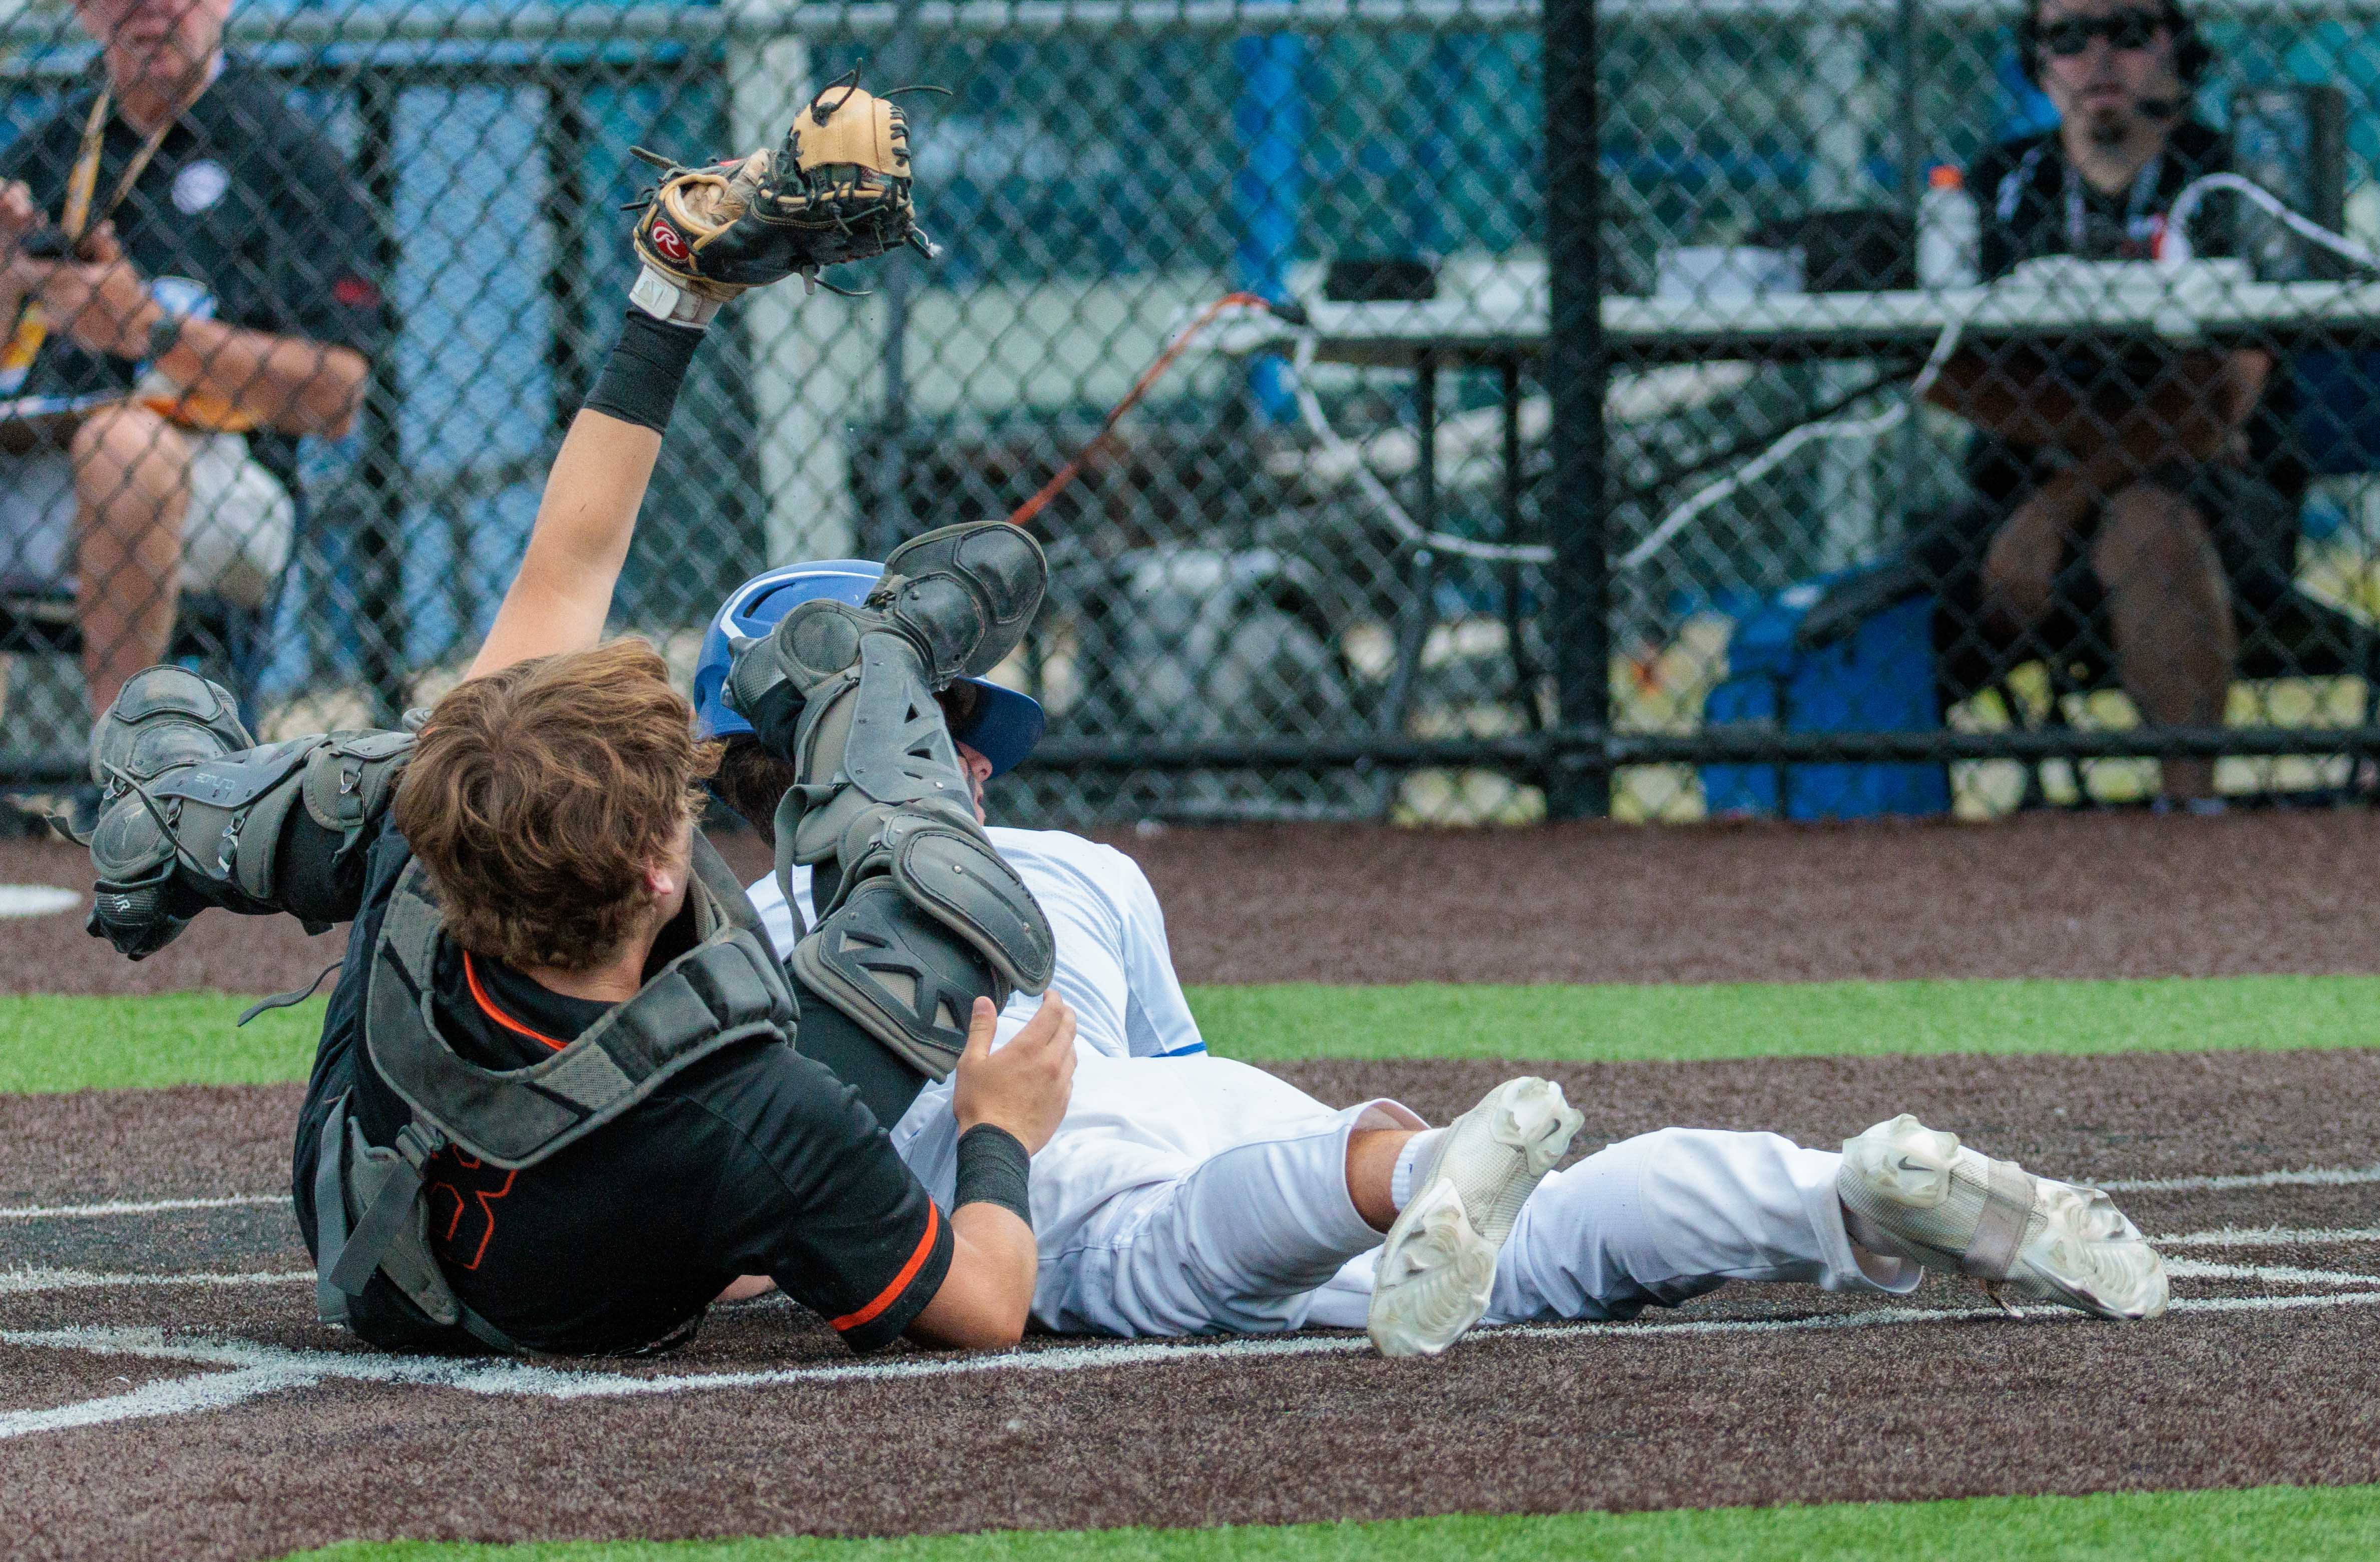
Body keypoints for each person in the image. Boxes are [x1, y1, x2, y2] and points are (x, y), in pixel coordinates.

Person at [65, 93, 1583, 1362]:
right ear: (663, 881)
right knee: (941, 918)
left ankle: (165, 813)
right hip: (515, 1279)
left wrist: (674, 292)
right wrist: (995, 1130)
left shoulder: (449, 851)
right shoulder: (755, 1109)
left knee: (409, 765)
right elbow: (984, 1299)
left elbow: (563, 575)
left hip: (371, 1206)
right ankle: (874, 664)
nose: (697, 809)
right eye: (684, 809)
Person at [696, 569, 2174, 1342]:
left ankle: (1414, 1172)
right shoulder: (1080, 867)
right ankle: (1834, 1192)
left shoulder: (741, 945)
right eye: (950, 736)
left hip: (1033, 1172)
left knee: (1171, 1251)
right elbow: (1181, 1078)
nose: (978, 766)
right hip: (1242, 1120)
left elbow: (745, 1228)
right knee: (1555, 1240)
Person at [1918, 0, 2299, 805]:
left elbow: (2224, 397)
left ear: (2177, 49)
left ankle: (2187, 808)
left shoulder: (2230, 179)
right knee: (1880, 605)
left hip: (2209, 500)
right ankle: (1865, 844)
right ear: (2036, 58)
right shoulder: (1998, 186)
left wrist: (2060, 493)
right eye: (2067, 38)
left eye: (2127, 33)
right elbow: (1940, 376)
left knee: (2147, 524)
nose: (2098, 59)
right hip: (2011, 496)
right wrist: (2140, 430)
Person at [0, 0, 384, 717]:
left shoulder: (288, 154)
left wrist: (152, 333)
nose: (150, 6)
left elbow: (338, 397)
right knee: (110, 442)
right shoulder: (48, 152)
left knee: (124, 443)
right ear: (83, 11)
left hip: (223, 481)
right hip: (39, 469)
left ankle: (125, 774)